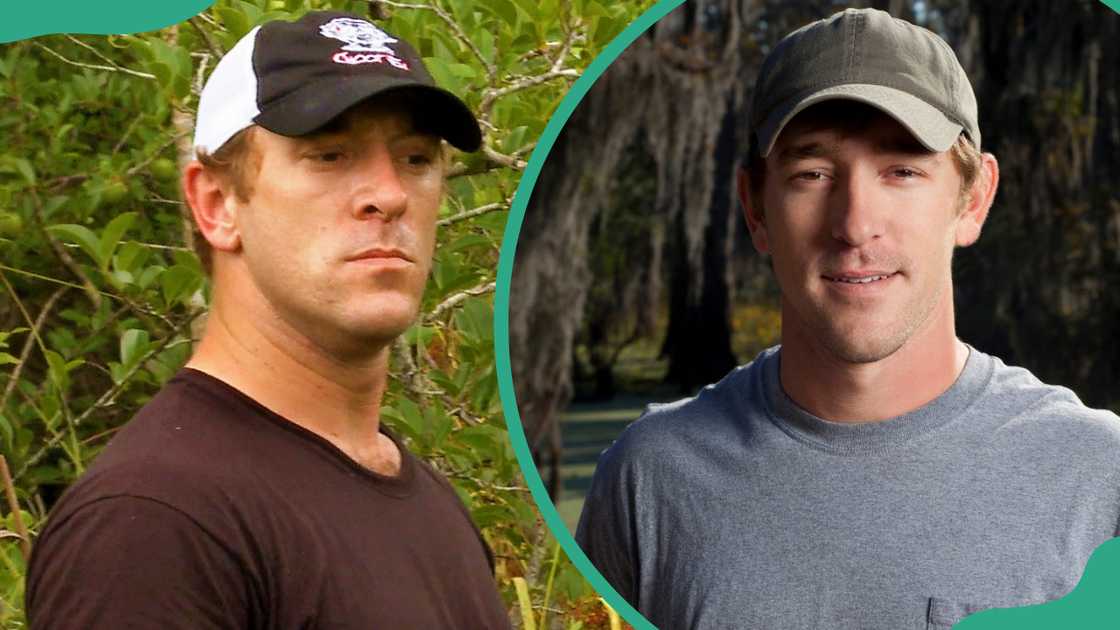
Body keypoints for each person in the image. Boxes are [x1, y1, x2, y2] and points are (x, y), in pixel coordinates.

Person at [576, 8, 1120, 629]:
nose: (856, 225)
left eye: (903, 171)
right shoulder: (648, 478)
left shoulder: (1098, 474)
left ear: (973, 200)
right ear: (755, 209)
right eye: (812, 174)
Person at [26, 10, 511, 629]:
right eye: (330, 154)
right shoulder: (154, 523)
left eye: (416, 158)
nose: (389, 195)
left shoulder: (433, 510)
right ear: (216, 204)